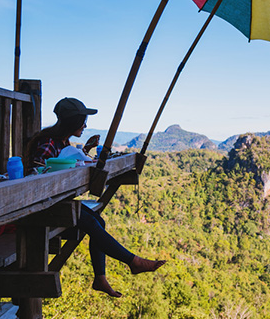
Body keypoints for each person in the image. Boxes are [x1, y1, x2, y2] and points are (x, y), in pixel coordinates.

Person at [25, 97, 165, 297]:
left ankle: (101, 277)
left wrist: (84, 152)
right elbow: (37, 172)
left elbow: (63, 161)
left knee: (98, 220)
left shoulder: (62, 142)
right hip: (42, 205)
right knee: (91, 222)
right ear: (73, 122)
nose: (85, 125)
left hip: (57, 201)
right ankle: (133, 262)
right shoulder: (48, 142)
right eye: (82, 121)